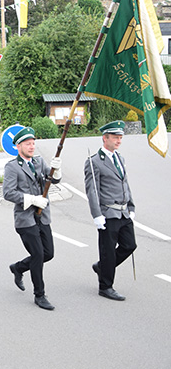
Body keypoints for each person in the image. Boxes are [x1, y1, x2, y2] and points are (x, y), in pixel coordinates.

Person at [2, 127, 61, 311]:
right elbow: (8, 193)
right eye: (28, 144)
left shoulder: (39, 161)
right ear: (18, 146)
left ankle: (18, 268)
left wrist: (56, 170)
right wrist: (32, 199)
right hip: (25, 219)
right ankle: (39, 295)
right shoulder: (12, 167)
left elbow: (52, 180)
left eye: (33, 143)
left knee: (48, 253)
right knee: (38, 255)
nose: (32, 146)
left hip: (42, 216)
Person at [84, 120, 136, 301]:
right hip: (108, 213)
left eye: (120, 137)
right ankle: (105, 286)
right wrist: (97, 215)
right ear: (105, 138)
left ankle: (102, 267)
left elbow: (125, 183)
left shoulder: (119, 158)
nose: (119, 140)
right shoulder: (94, 162)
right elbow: (92, 191)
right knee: (108, 251)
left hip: (123, 212)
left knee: (129, 245)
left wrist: (131, 205)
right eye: (115, 137)